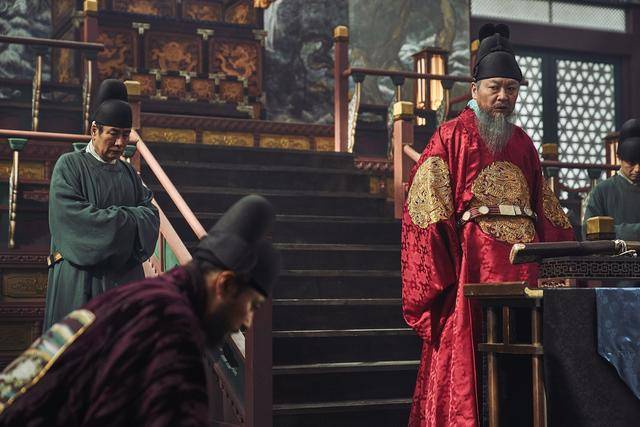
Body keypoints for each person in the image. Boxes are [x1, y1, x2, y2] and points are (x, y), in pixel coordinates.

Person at [401, 23, 574, 427]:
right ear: (475, 88)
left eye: (512, 89)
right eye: (495, 87)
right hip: (474, 266)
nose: (503, 97)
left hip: (524, 263)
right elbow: (427, 213)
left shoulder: (524, 143)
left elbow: (546, 208)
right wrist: (444, 277)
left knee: (529, 352)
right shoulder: (449, 137)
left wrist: (559, 261)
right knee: (471, 352)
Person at [0, 195, 280, 426]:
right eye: (252, 306)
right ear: (226, 284)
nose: (247, 321)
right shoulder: (170, 326)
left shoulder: (143, 297)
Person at [43, 80, 160, 330]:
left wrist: (113, 219)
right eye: (113, 133)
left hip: (124, 284)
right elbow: (77, 220)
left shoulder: (130, 174)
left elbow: (151, 217)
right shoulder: (70, 166)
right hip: (80, 280)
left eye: (125, 135)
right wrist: (131, 219)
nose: (120, 143)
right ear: (94, 130)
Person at [583, 118, 640, 240]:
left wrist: (613, 231)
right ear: (619, 158)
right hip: (614, 253)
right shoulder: (602, 190)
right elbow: (589, 232)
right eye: (631, 163)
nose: (637, 169)